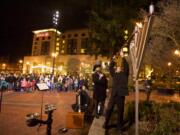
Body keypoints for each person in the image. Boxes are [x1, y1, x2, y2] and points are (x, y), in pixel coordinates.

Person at [103, 50, 129, 134]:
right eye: (117, 66)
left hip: (121, 95)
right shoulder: (114, 74)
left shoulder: (125, 73)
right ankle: (106, 123)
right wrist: (113, 60)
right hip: (114, 94)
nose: (118, 67)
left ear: (121, 68)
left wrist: (123, 57)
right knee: (109, 109)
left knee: (120, 111)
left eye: (119, 66)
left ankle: (119, 127)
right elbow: (110, 68)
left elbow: (126, 66)